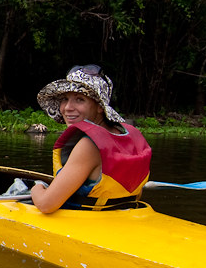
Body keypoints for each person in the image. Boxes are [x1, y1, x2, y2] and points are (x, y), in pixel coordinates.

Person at [28, 65, 152, 214]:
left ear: (100, 107)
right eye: (65, 99)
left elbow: (46, 205)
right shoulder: (128, 134)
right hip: (122, 216)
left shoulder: (89, 145)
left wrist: (37, 188)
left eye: (79, 100)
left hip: (88, 222)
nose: (68, 107)